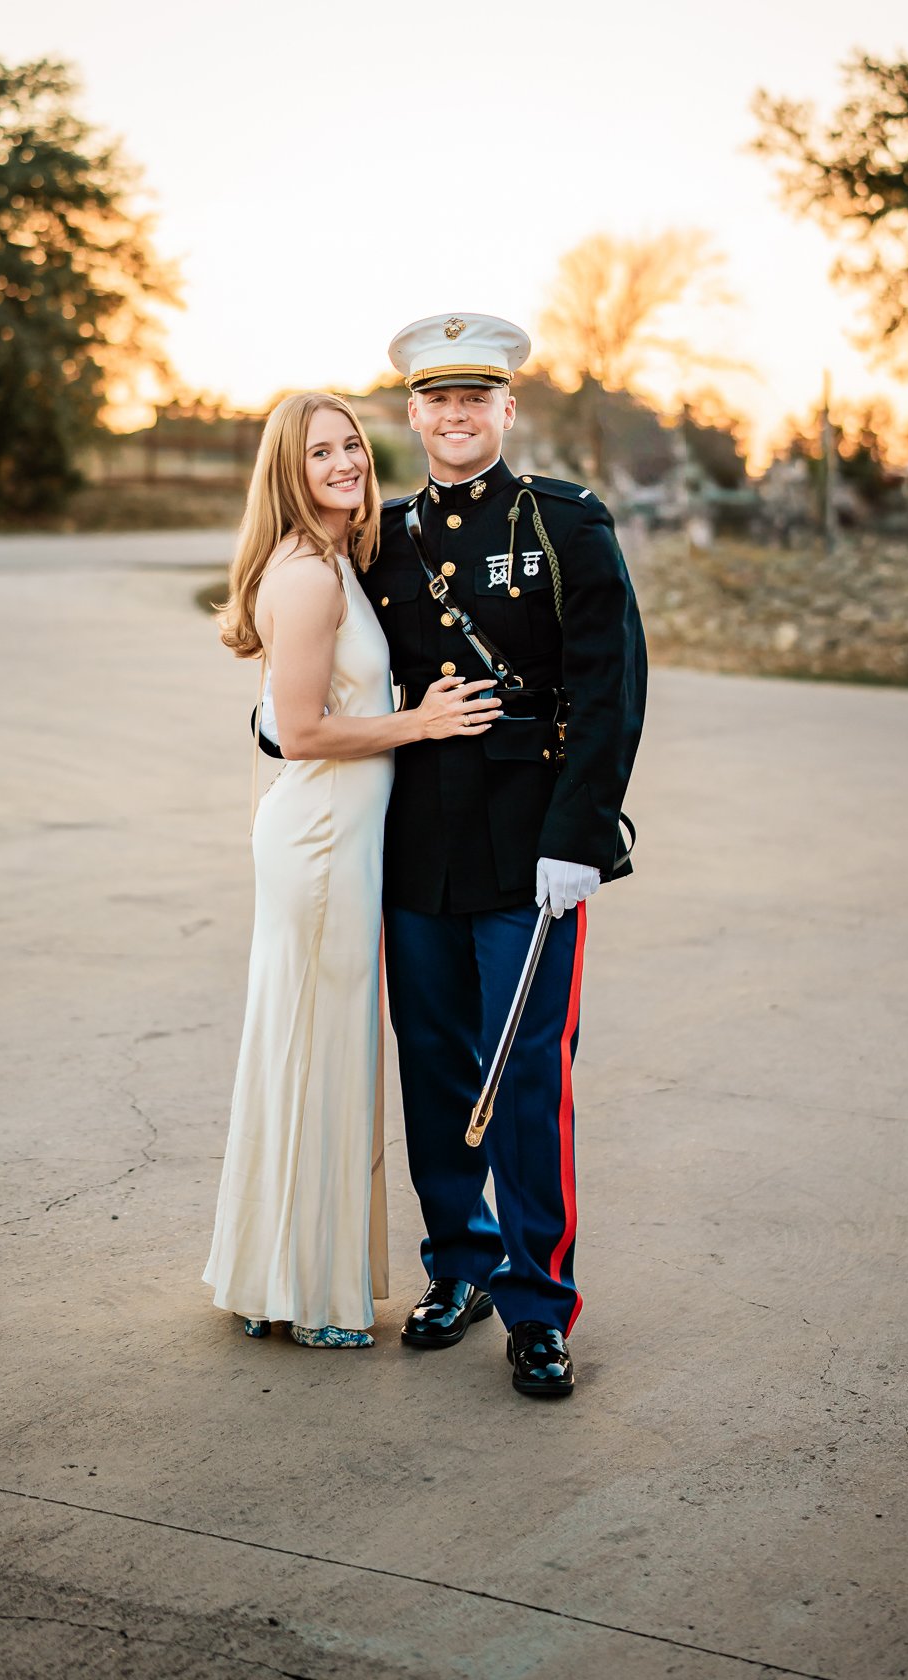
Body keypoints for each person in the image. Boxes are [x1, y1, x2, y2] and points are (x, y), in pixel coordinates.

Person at [370, 315, 648, 1396]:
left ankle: (539, 1304)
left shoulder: (565, 521)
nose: (454, 417)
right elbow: (337, 655)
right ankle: (462, 1265)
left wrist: (580, 837)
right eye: (437, 401)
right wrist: (278, 721)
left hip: (534, 845)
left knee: (524, 1078)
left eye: (474, 400)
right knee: (435, 1066)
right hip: (417, 844)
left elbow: (611, 683)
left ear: (505, 411)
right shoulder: (382, 535)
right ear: (413, 415)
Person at [203, 391, 500, 1349]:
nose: (345, 465)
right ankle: (302, 1289)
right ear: (288, 469)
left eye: (352, 448)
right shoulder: (308, 575)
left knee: (310, 1048)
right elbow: (297, 732)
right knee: (317, 1051)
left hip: (340, 839)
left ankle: (272, 1278)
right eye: (321, 452)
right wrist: (421, 721)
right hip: (321, 842)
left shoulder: (338, 560)